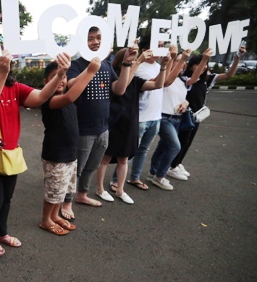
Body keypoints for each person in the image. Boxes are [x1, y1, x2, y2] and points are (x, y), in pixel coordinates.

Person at [0, 50, 71, 256]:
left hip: (9, 155)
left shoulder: (14, 87)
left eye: (0, 58)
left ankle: (1, 233)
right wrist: (2, 75)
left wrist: (60, 74)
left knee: (6, 199)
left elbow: (41, 97)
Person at [61, 26, 136, 220]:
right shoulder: (76, 64)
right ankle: (67, 202)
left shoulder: (106, 64)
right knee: (76, 169)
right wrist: (90, 69)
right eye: (90, 38)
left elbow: (119, 90)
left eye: (98, 38)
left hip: (103, 128)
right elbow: (70, 85)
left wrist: (127, 64)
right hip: (83, 129)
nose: (95, 42)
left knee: (91, 167)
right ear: (82, 43)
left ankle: (82, 195)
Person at [96, 47, 169, 204]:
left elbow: (158, 84)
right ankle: (100, 188)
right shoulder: (112, 77)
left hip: (130, 124)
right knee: (105, 158)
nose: (133, 62)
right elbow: (121, 89)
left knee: (124, 159)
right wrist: (137, 61)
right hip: (113, 124)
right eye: (130, 60)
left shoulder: (135, 81)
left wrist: (164, 66)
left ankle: (120, 190)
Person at [40, 58, 101, 235]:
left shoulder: (66, 97)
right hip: (56, 155)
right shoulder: (50, 101)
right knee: (53, 191)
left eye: (64, 76)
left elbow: (72, 89)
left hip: (70, 154)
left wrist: (88, 70)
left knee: (63, 189)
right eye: (55, 77)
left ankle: (55, 215)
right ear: (46, 82)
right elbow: (70, 95)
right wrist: (91, 71)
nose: (61, 80)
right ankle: (45, 219)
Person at [170, 44, 247, 176]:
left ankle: (177, 163)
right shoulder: (185, 78)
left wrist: (237, 58)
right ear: (191, 65)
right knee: (181, 140)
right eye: (198, 64)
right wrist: (204, 59)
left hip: (198, 116)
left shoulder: (207, 78)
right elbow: (193, 77)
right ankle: (172, 166)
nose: (203, 67)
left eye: (205, 64)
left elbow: (229, 75)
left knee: (188, 141)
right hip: (185, 114)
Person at [147, 47, 204, 190]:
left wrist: (205, 59)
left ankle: (153, 172)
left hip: (177, 119)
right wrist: (180, 58)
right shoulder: (166, 78)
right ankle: (160, 176)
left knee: (163, 146)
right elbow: (166, 81)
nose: (182, 64)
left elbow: (195, 77)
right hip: (164, 118)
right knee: (174, 146)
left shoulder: (183, 80)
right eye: (178, 61)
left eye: (183, 62)